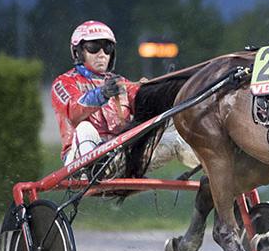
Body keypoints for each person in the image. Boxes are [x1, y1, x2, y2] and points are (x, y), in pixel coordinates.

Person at [51, 20, 199, 174]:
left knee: (175, 134)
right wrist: (102, 94)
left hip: (119, 155)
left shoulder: (121, 83)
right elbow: (73, 112)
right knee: (84, 128)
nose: (102, 54)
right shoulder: (63, 82)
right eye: (94, 47)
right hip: (78, 161)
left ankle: (214, 169)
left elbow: (145, 107)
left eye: (107, 48)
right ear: (78, 52)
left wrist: (164, 90)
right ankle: (92, 171)